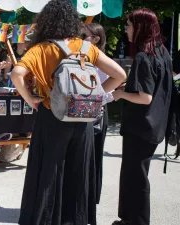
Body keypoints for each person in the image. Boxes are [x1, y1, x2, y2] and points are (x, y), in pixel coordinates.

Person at [10, 1, 126, 224]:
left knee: (47, 172)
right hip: (82, 117)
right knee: (78, 171)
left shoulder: (41, 49)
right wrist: (97, 98)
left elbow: (17, 74)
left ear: (46, 22)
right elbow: (120, 75)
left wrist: (30, 99)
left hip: (51, 115)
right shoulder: (86, 48)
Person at [111, 8, 173, 225]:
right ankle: (128, 218)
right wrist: (129, 86)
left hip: (141, 127)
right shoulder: (161, 52)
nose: (126, 30)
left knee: (136, 178)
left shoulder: (143, 56)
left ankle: (137, 221)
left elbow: (145, 97)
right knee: (133, 175)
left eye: (129, 25)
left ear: (140, 27)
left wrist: (120, 94)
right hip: (154, 125)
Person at [81, 22, 109, 205]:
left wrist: (94, 99)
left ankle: (88, 199)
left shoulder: (99, 58)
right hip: (86, 111)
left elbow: (110, 88)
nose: (79, 40)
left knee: (92, 157)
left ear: (96, 39)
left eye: (84, 36)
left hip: (96, 112)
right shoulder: (84, 57)